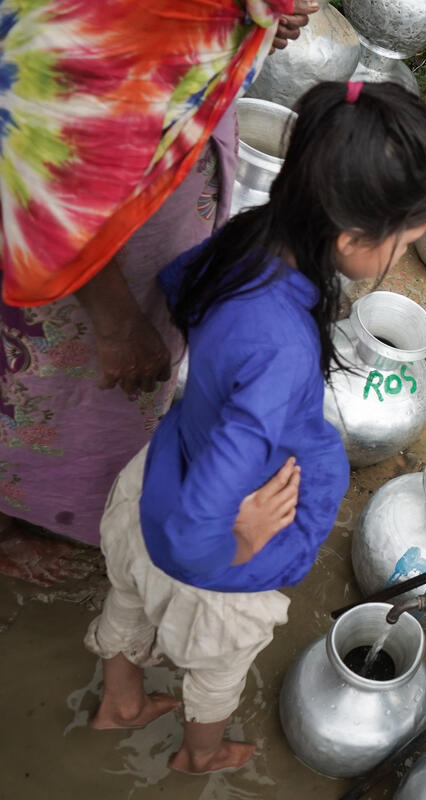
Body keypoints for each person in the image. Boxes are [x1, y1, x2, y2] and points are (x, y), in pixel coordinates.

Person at [81, 81, 426, 774]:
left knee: (129, 603)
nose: (404, 255)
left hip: (150, 488)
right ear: (350, 238)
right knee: (216, 671)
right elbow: (204, 516)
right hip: (205, 562)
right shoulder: (283, 351)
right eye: (406, 242)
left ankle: (120, 702)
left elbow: (177, 283)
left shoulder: (255, 237)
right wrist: (239, 539)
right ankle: (202, 755)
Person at [0, 0, 318, 584]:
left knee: (106, 400)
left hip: (145, 193)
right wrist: (116, 323)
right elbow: (40, 176)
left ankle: (71, 505)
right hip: (65, 237)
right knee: (35, 392)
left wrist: (244, 30)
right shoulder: (107, 25)